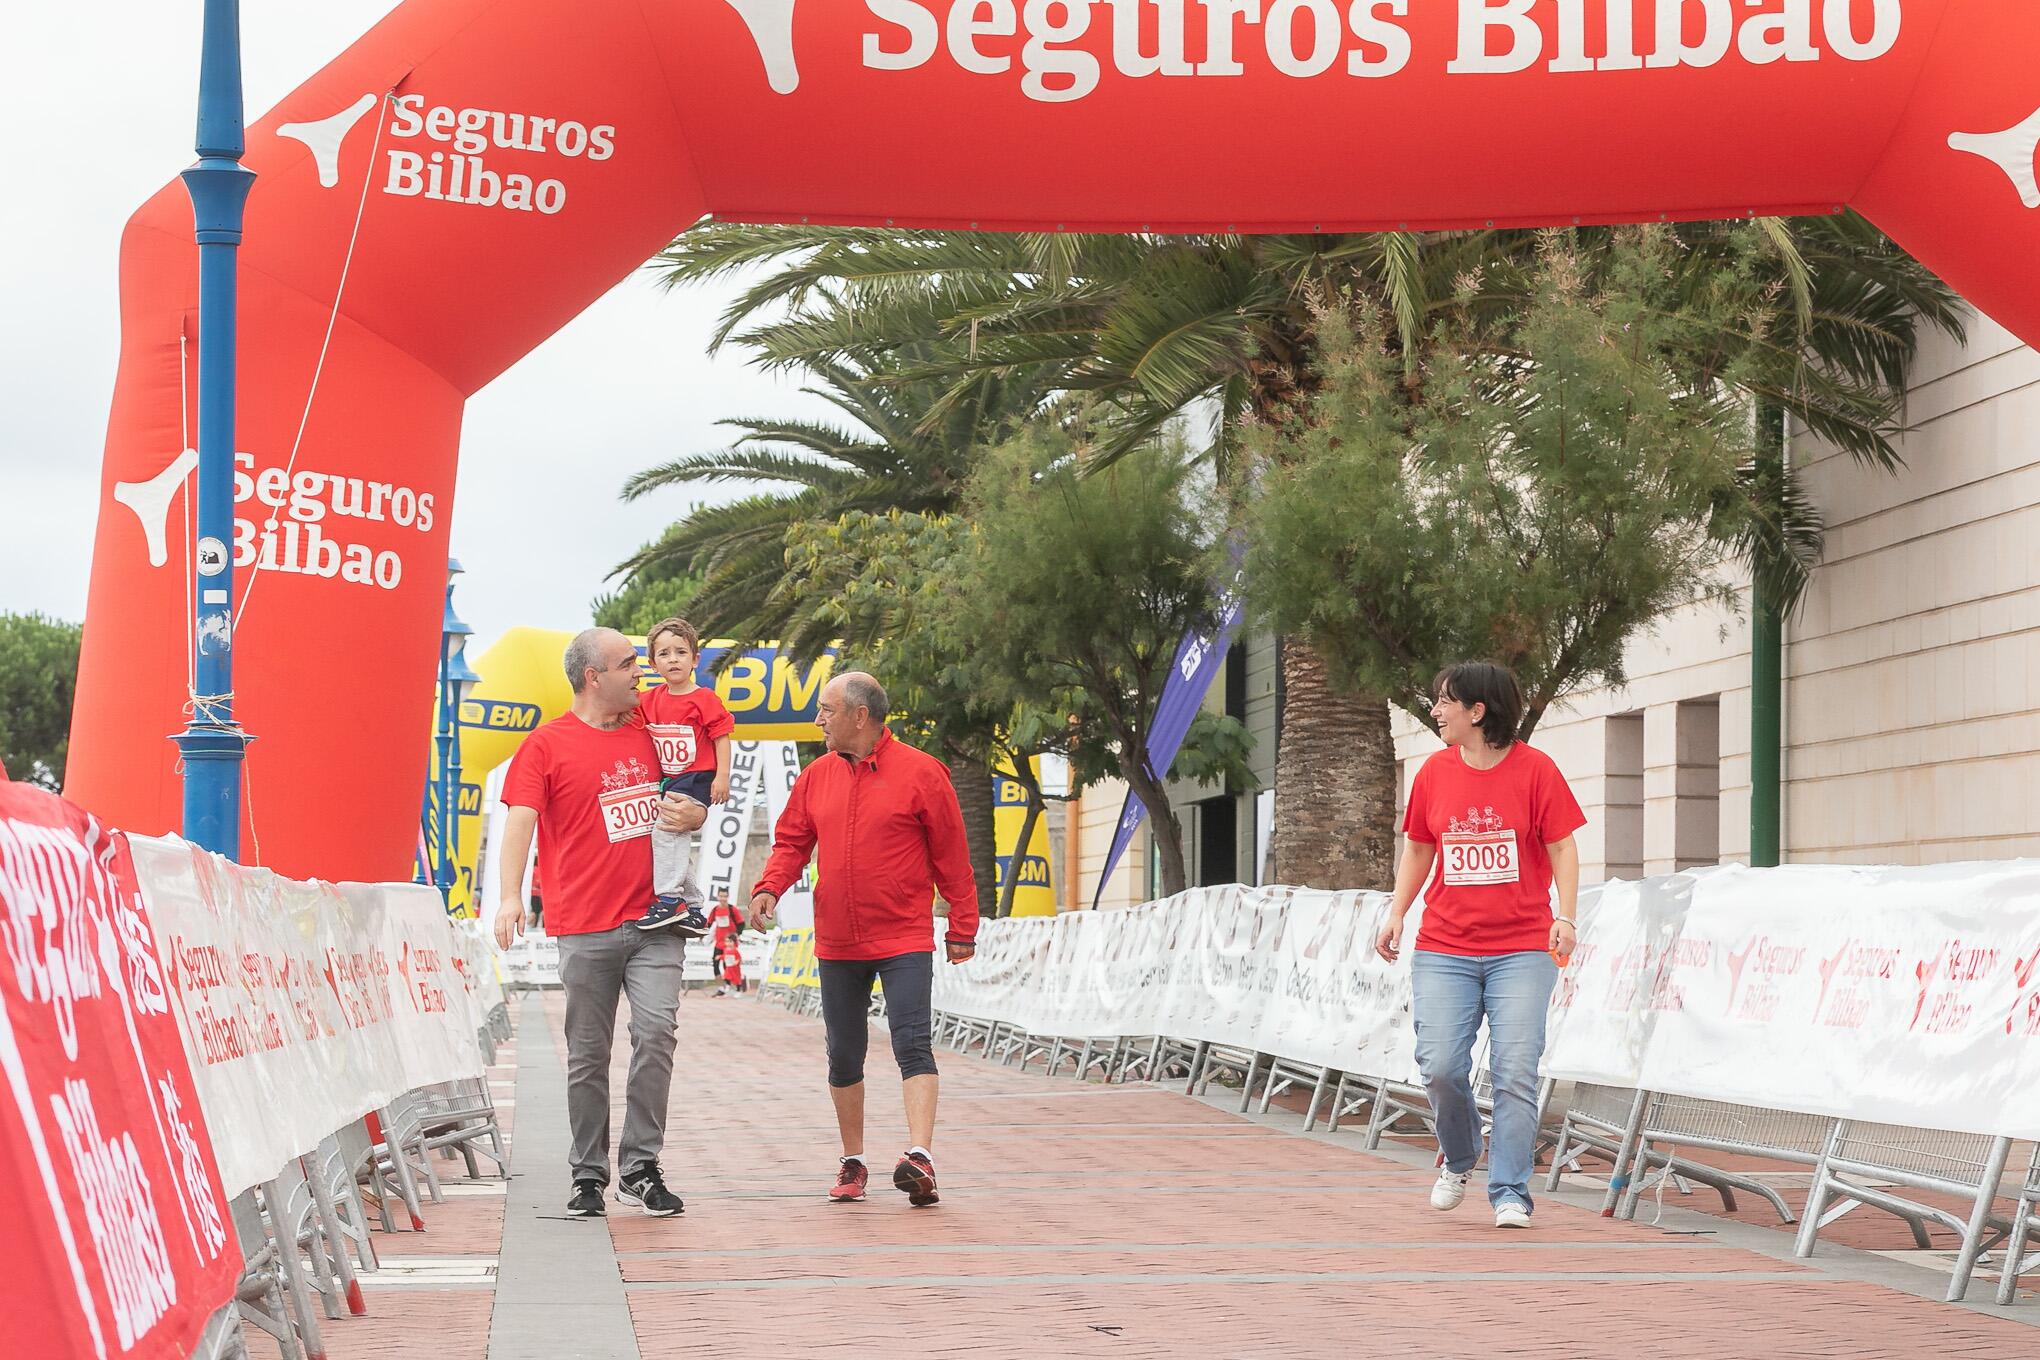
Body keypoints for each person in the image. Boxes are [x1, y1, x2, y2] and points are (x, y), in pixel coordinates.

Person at [494, 627, 708, 1220]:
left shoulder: (652, 732)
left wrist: (696, 811)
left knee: (656, 1033)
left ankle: (640, 1167)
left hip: (655, 920)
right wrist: (510, 897)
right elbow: (520, 821)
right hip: (583, 924)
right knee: (588, 1054)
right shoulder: (545, 746)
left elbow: (693, 789)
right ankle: (588, 1173)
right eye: (628, 663)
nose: (640, 672)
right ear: (594, 677)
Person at [748, 672, 978, 1207]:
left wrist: (962, 926)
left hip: (903, 937)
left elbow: (953, 857)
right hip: (837, 940)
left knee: (912, 1044)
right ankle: (854, 1161)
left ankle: (920, 1157)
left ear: (859, 715)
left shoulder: (924, 773)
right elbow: (791, 842)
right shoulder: (815, 777)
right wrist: (769, 888)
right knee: (843, 1054)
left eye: (826, 709)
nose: (818, 719)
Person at [1376, 661, 1584, 1230]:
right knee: (1440, 1066)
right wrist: (1396, 912)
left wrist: (1565, 915)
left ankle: (1510, 1189)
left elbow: (1563, 847)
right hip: (1445, 947)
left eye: (1445, 702)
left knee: (1516, 1069)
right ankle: (1461, 1155)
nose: (1435, 712)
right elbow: (1419, 849)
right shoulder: (1433, 773)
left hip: (1523, 948)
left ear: (1477, 711)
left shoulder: (1536, 770)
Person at [629, 616, 733, 934]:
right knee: (675, 837)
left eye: (680, 652)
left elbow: (722, 735)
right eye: (664, 654)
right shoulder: (650, 700)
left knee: (666, 831)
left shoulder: (704, 699)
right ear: (652, 663)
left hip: (697, 776)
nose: (673, 659)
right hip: (670, 779)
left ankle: (669, 899)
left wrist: (722, 776)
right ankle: (693, 905)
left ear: (695, 659)